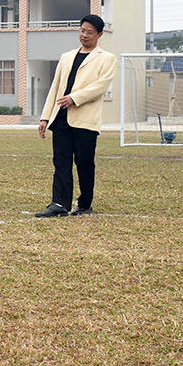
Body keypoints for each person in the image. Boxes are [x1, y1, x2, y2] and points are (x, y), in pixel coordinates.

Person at [35, 14, 117, 217]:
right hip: (61, 117)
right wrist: (45, 117)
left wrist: (74, 98)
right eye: (82, 30)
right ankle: (59, 204)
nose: (84, 35)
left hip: (85, 119)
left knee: (84, 162)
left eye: (89, 32)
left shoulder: (107, 59)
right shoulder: (66, 56)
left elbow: (99, 87)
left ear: (99, 34)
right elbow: (55, 88)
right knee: (61, 161)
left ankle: (85, 204)